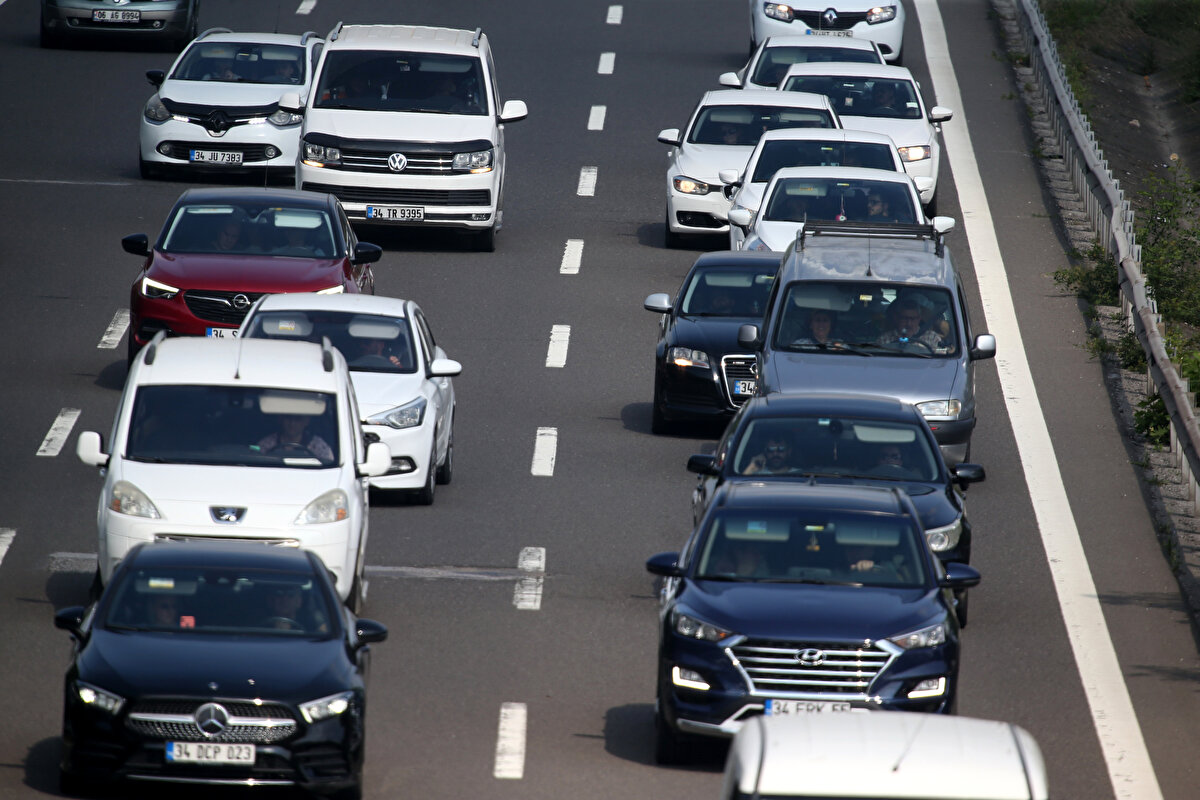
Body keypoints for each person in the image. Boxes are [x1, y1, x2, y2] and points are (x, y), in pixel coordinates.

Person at [256, 414, 334, 461]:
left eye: (298, 419)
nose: (292, 424)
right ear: (281, 419)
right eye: (288, 418)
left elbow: (328, 465)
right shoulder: (266, 444)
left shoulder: (319, 446)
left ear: (306, 421)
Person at [877, 298, 944, 352]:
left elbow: (942, 359)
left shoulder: (932, 337)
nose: (909, 323)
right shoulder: (884, 339)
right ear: (897, 318)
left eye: (913, 319)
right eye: (904, 318)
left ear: (919, 319)